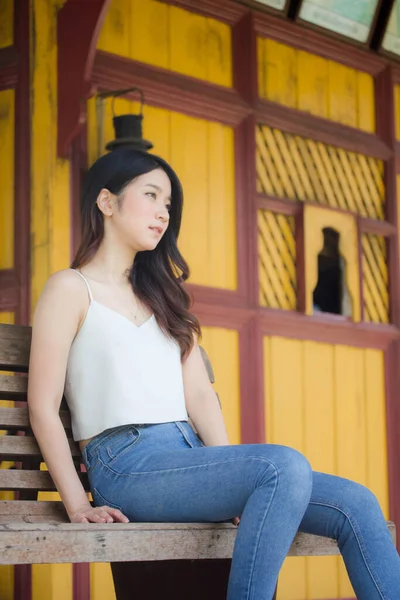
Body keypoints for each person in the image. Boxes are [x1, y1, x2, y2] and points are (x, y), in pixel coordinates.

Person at [28, 148, 400, 600]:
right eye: (151, 195)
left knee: (357, 504)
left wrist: (235, 483)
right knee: (283, 464)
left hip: (187, 455)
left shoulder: (163, 299)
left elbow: (200, 397)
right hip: (125, 465)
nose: (163, 213)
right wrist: (77, 503)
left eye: (169, 204)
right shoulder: (70, 289)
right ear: (106, 202)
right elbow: (43, 407)